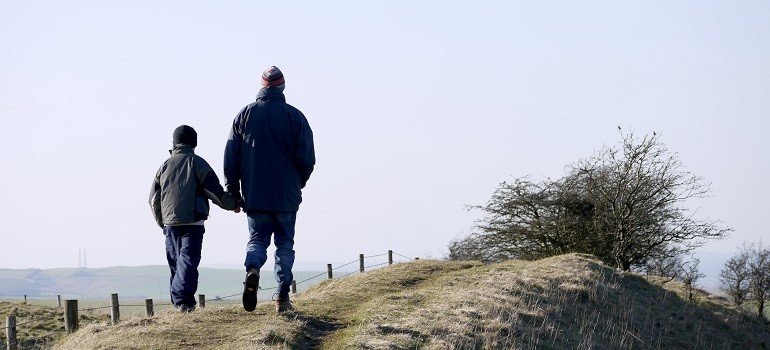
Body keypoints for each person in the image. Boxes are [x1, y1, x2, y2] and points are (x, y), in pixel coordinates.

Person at [224, 66, 315, 313]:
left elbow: (231, 156)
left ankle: (252, 269)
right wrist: (298, 182)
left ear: (262, 86)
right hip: (286, 195)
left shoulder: (244, 115)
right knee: (284, 244)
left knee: (257, 240)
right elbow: (307, 158)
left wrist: (233, 191)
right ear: (282, 87)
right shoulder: (295, 117)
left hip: (255, 195)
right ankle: (282, 297)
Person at [150, 125, 237, 312]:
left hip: (169, 223)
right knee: (188, 261)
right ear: (194, 142)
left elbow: (153, 199)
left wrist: (162, 222)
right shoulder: (197, 163)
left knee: (176, 264)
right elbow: (215, 192)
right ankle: (184, 302)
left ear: (174, 143)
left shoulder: (163, 166)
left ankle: (179, 303)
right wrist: (234, 205)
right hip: (193, 222)